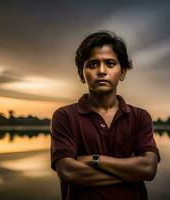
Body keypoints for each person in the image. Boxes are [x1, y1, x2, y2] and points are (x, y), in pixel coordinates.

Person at [50, 31, 161, 200]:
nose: (101, 71)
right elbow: (68, 171)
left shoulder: (140, 117)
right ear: (81, 74)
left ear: (122, 72)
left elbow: (148, 169)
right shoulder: (65, 116)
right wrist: (130, 172)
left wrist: (95, 159)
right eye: (93, 64)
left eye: (110, 64)